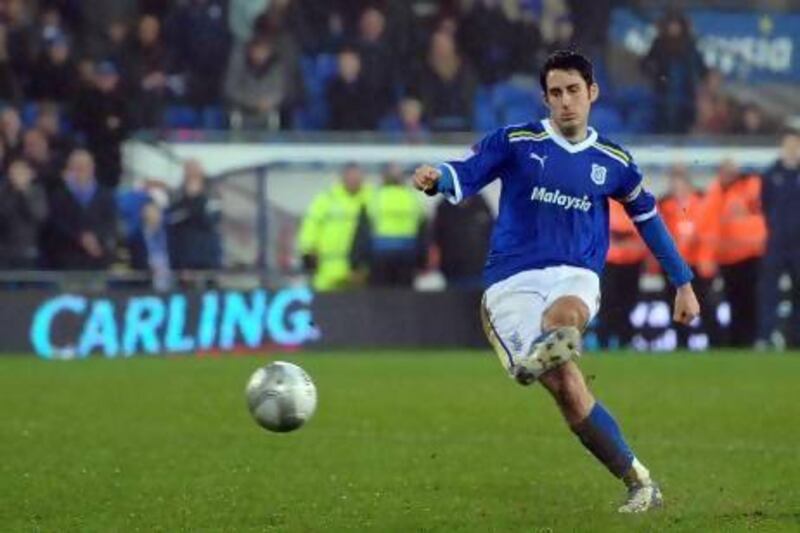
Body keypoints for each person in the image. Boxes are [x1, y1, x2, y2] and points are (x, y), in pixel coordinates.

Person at [412, 50, 699, 513]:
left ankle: (545, 348)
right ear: (545, 98)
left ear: (593, 93)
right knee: (567, 387)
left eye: (574, 91)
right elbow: (463, 173)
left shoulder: (614, 160)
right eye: (556, 93)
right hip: (512, 281)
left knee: (565, 316)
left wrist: (682, 282)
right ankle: (639, 479)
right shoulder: (515, 141)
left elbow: (648, 219)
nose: (566, 101)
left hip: (576, 274)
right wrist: (435, 177)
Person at [697, 158, 766, 347]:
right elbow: (707, 227)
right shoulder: (716, 194)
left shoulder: (749, 187)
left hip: (751, 255)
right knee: (735, 302)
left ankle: (749, 339)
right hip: (728, 259)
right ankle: (738, 340)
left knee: (750, 301)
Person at [298, 162, 372, 291]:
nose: (354, 180)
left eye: (357, 177)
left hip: (360, 274)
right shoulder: (327, 199)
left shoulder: (371, 198)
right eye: (351, 177)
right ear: (342, 178)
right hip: (327, 273)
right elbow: (310, 227)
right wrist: (308, 250)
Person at [351, 162, 426, 288]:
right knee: (404, 298)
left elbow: (362, 233)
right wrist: (422, 261)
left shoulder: (374, 198)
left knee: (380, 299)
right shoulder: (412, 198)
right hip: (406, 257)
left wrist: (357, 261)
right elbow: (423, 232)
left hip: (379, 257)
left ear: (383, 177)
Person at [757, 130, 800, 348]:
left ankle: (795, 340)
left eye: (796, 145)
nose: (792, 149)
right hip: (777, 242)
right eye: (789, 145)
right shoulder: (770, 174)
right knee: (769, 291)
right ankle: (766, 336)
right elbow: (764, 206)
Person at [597, 200, 646, 349]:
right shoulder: (604, 201)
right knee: (607, 303)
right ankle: (604, 342)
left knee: (627, 304)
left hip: (632, 261)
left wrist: (621, 234)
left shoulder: (639, 200)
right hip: (610, 261)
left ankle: (625, 341)